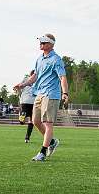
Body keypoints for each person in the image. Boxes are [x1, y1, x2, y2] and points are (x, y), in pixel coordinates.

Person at [13, 34, 68, 162]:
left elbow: (63, 77)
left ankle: (42, 152)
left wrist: (65, 93)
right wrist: (22, 85)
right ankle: (52, 142)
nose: (41, 44)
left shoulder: (56, 59)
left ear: (51, 44)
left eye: (44, 42)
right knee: (35, 121)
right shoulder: (39, 59)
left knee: (47, 124)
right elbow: (34, 77)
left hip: (51, 94)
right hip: (39, 94)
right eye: (41, 42)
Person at [17, 70, 36, 143]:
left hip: (24, 101)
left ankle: (22, 117)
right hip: (34, 102)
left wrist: (18, 91)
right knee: (31, 120)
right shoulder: (39, 80)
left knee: (22, 119)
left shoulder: (25, 79)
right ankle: (27, 137)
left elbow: (19, 88)